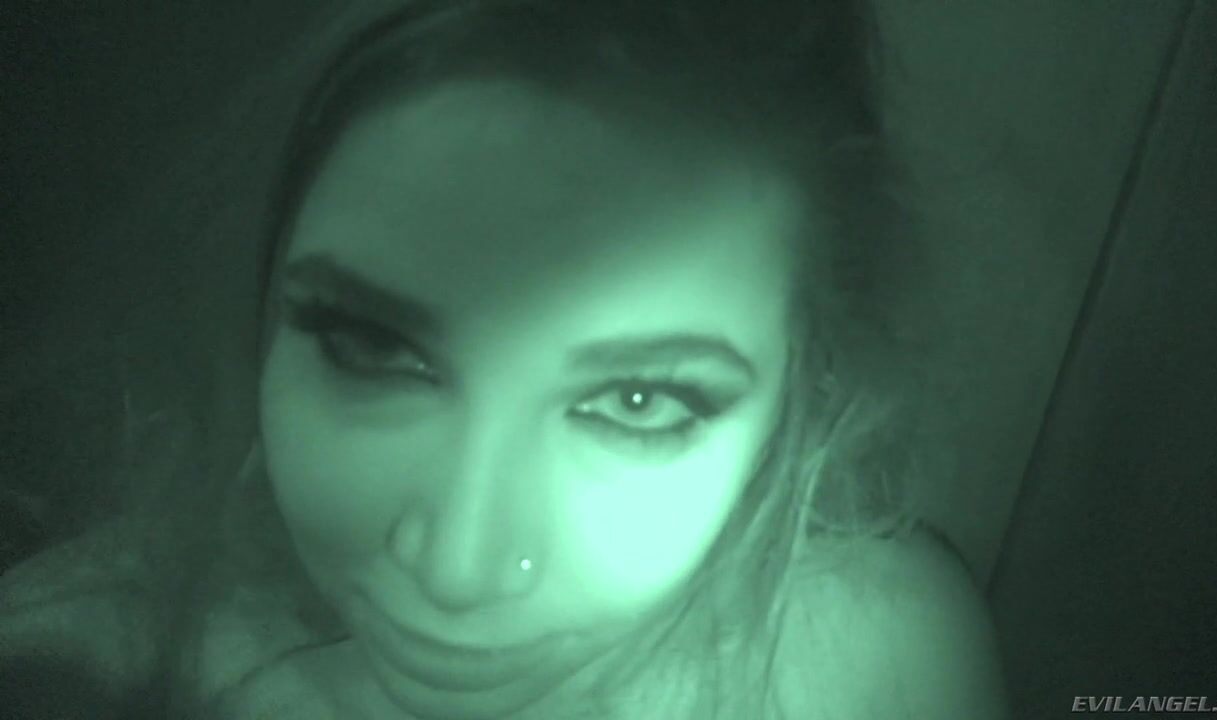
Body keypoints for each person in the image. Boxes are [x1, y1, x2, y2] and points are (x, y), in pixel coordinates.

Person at [1, 1, 1008, 718]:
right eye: (372, 346)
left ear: (802, 387)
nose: (459, 568)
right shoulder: (68, 666)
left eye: (638, 400)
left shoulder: (885, 652)